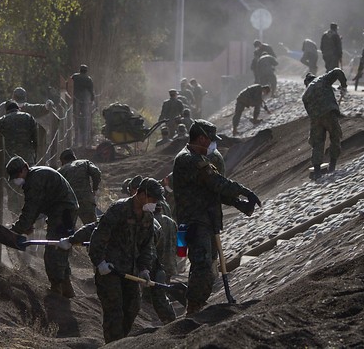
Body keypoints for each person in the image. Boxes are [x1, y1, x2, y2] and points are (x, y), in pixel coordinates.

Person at [173, 120, 261, 315]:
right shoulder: (188, 159)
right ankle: (193, 309)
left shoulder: (198, 158)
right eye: (211, 140)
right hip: (195, 221)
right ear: (202, 138)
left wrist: (238, 202)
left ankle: (197, 305)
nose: (212, 145)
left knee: (209, 265)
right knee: (202, 264)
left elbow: (213, 191)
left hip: (207, 219)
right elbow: (215, 182)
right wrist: (244, 191)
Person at [88, 177, 162, 343]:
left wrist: (144, 269)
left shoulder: (148, 218)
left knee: (132, 308)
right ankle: (113, 344)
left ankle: (119, 342)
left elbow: (146, 247)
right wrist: (99, 262)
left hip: (131, 271)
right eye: (153, 199)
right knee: (114, 313)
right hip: (110, 270)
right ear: (141, 195)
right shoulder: (119, 209)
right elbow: (98, 237)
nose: (154, 203)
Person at [6, 156, 79, 298]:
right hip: (65, 209)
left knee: (54, 247)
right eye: (14, 177)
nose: (17, 180)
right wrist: (27, 224)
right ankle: (66, 287)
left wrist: (17, 228)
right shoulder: (36, 175)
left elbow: (31, 208)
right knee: (61, 246)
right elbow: (37, 207)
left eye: (17, 175)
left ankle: (57, 288)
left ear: (25, 168)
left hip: (63, 211)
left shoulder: (34, 180)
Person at [302, 69, 348, 180]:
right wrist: (344, 86)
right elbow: (337, 71)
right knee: (335, 137)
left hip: (316, 119)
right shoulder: (322, 79)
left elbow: (309, 113)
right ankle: (332, 166)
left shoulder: (305, 94)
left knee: (317, 143)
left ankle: (317, 171)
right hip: (329, 114)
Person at [0, 101, 38, 215]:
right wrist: (35, 156)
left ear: (6, 110)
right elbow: (36, 140)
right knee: (29, 187)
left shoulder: (2, 121)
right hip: (27, 161)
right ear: (18, 108)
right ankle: (29, 216)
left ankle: (16, 217)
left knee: (13, 190)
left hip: (10, 162)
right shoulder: (29, 118)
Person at [57, 148, 101, 226]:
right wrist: (95, 188)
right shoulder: (84, 162)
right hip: (86, 200)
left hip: (70, 203)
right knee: (92, 227)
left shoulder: (60, 170)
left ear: (63, 160)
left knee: (67, 230)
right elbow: (96, 172)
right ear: (74, 157)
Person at [67, 64, 95, 147]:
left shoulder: (75, 77)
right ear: (86, 71)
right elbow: (91, 91)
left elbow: (68, 83)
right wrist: (92, 100)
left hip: (76, 101)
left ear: (80, 70)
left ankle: (75, 141)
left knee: (76, 119)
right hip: (85, 102)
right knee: (85, 120)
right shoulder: (88, 79)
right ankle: (84, 143)